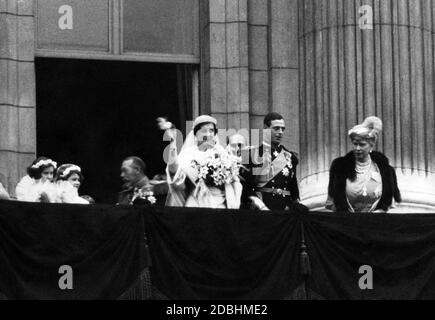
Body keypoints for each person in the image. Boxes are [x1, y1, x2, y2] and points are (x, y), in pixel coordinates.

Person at [325, 116, 401, 213]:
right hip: (346, 224)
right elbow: (332, 203)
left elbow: (388, 203)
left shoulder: (384, 170)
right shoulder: (340, 168)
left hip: (376, 224)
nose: (357, 148)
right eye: (355, 143)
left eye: (362, 144)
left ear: (371, 145)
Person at [165, 115, 242, 209]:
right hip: (196, 199)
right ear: (195, 133)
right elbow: (176, 177)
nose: (208, 134)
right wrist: (173, 144)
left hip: (218, 201)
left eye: (211, 130)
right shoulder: (188, 154)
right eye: (204, 130)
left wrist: (220, 177)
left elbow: (234, 181)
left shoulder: (221, 152)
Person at [240, 112, 301, 211]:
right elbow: (245, 187)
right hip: (262, 208)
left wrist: (296, 204)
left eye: (283, 129)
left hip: (286, 209)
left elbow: (293, 189)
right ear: (265, 129)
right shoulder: (252, 154)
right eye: (276, 128)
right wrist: (257, 203)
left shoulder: (290, 157)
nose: (280, 132)